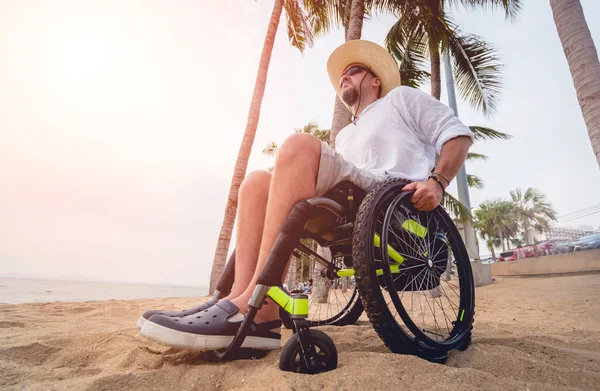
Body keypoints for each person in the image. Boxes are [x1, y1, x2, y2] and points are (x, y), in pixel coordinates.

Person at [139, 40, 473, 351]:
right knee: (255, 182)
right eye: (343, 74)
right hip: (348, 205)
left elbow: (457, 135)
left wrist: (437, 182)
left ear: (375, 81)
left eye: (355, 71)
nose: (345, 75)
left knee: (299, 144)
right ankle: (244, 298)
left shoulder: (400, 99)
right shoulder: (343, 136)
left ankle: (263, 305)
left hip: (392, 199)